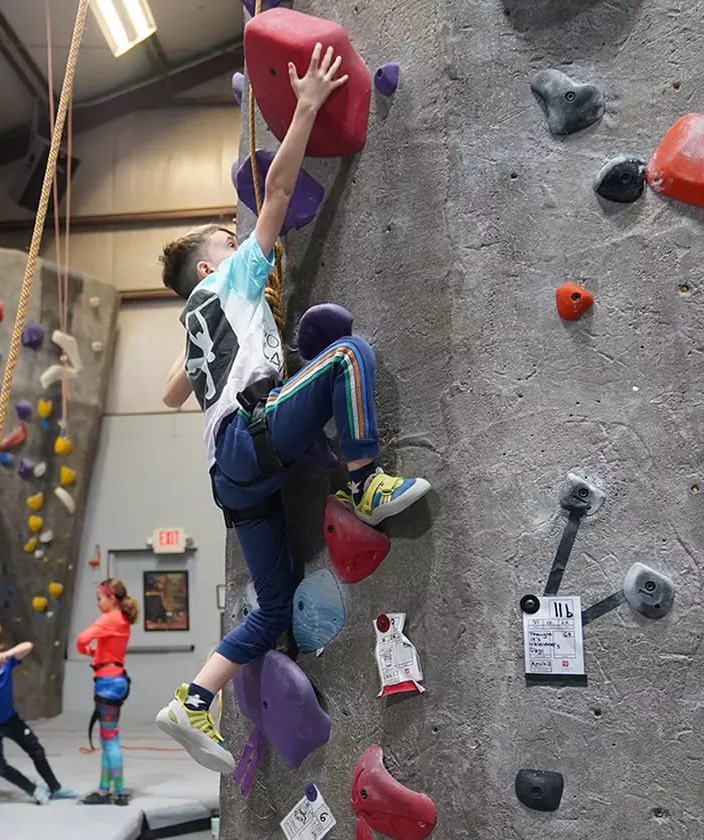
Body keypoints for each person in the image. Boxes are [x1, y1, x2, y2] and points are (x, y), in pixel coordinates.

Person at [154, 44, 432, 774]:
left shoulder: (194, 320)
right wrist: (307, 104)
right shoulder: (234, 279)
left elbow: (171, 392)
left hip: (230, 475)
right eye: (230, 239)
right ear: (215, 266)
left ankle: (193, 699)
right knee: (346, 356)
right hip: (251, 441)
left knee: (272, 611)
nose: (243, 238)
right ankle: (367, 481)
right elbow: (276, 193)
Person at [0, 621, 77, 804]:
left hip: (11, 720)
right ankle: (32, 788)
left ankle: (55, 788)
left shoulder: (7, 662)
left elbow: (28, 646)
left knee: (36, 750)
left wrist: (6, 654)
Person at [74, 578, 136, 805]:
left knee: (110, 740)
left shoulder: (110, 618)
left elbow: (81, 639)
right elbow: (109, 647)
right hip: (117, 678)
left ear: (112, 598)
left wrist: (86, 650)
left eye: (100, 599)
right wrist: (97, 652)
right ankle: (104, 788)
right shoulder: (122, 620)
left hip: (107, 683)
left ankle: (117, 791)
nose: (98, 603)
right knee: (108, 736)